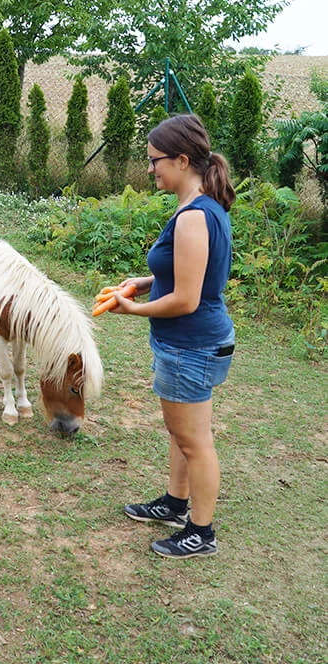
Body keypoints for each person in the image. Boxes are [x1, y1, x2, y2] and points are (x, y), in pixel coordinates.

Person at [111, 114, 236, 559]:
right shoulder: (201, 207)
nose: (151, 169)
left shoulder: (193, 217)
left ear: (182, 161)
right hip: (193, 342)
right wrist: (145, 282)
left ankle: (200, 532)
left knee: (194, 441)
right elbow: (191, 277)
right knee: (180, 432)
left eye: (155, 161)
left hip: (191, 344)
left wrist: (134, 309)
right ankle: (174, 503)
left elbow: (186, 299)